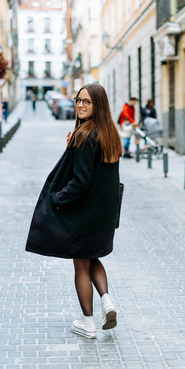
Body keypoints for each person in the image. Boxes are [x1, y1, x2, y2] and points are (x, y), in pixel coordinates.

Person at [25, 84, 123, 339]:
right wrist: (72, 147)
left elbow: (80, 182)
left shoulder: (84, 136)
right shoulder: (109, 134)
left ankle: (88, 323)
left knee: (81, 264)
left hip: (85, 212)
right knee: (93, 257)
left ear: (97, 105)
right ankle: (107, 301)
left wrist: (57, 199)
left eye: (86, 102)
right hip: (105, 213)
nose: (80, 105)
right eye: (78, 100)